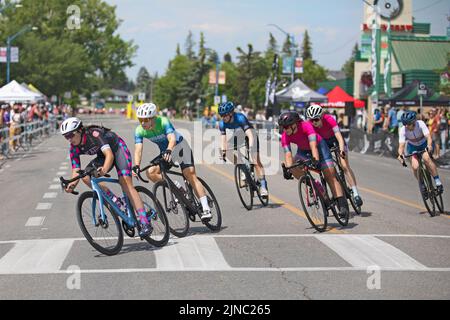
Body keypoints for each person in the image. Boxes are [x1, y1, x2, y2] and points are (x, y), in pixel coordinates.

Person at [60, 117, 154, 238]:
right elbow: (76, 170)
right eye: (66, 137)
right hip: (103, 156)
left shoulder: (94, 134)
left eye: (70, 135)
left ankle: (144, 221)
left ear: (79, 131)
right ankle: (116, 201)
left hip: (117, 150)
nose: (69, 139)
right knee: (86, 176)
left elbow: (109, 155)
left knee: (125, 183)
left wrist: (103, 170)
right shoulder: (74, 148)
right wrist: (71, 185)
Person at [133, 103, 213, 221]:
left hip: (179, 147)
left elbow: (172, 139)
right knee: (151, 172)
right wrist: (136, 166)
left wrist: (169, 150)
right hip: (166, 152)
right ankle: (177, 187)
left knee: (189, 174)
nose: (142, 123)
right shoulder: (139, 130)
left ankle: (206, 208)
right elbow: (138, 149)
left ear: (153, 118)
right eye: (140, 120)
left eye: (145, 120)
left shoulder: (163, 121)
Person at [279, 111, 350, 218]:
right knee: (293, 167)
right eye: (283, 127)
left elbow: (313, 146)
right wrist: (289, 169)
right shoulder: (285, 136)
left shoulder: (306, 126)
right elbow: (288, 155)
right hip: (303, 151)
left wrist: (316, 160)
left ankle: (342, 205)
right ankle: (312, 183)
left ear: (295, 124)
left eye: (287, 126)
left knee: (330, 175)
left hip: (320, 147)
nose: (285, 129)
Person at [306, 104, 363, 207]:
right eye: (311, 120)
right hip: (323, 143)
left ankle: (355, 193)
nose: (314, 122)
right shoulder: (310, 125)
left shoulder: (329, 119)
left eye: (316, 120)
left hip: (335, 140)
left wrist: (342, 151)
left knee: (344, 166)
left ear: (322, 117)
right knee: (328, 169)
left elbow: (340, 138)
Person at [218, 101, 268, 198]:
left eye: (225, 115)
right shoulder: (222, 124)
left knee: (256, 161)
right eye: (221, 116)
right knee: (226, 149)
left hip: (250, 134)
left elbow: (249, 134)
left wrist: (251, 147)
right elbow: (223, 139)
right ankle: (243, 167)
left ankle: (263, 186)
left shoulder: (240, 118)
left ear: (231, 114)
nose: (223, 118)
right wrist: (224, 152)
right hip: (239, 135)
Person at [397, 111, 444, 195]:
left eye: (408, 124)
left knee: (426, 159)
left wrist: (429, 146)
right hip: (412, 148)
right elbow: (401, 146)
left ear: (413, 122)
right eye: (405, 124)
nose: (406, 126)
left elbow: (428, 137)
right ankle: (422, 184)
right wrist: (400, 155)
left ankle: (438, 182)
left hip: (424, 145)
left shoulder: (420, 124)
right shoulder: (403, 130)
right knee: (415, 167)